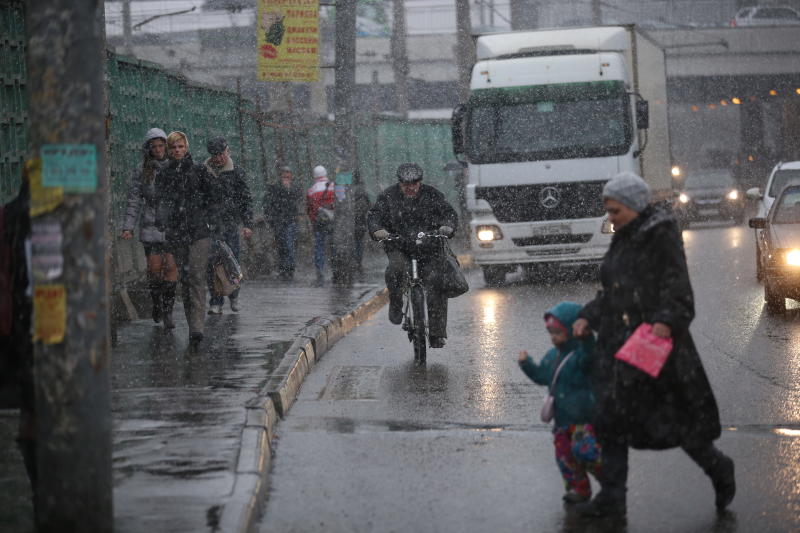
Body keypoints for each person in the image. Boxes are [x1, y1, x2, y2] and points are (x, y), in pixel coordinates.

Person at [572, 171, 735, 517]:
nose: (610, 218)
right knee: (611, 422)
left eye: (615, 211)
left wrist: (664, 322)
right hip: (618, 346)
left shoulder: (659, 235)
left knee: (679, 426)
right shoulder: (626, 236)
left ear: (633, 206)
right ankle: (613, 498)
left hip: (653, 349)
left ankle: (719, 468)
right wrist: (589, 315)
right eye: (608, 211)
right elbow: (616, 291)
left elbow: (678, 290)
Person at [518, 302, 602, 504]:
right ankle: (578, 488)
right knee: (565, 457)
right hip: (561, 420)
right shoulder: (551, 356)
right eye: (551, 333)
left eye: (558, 332)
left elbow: (591, 357)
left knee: (586, 452)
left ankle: (609, 480)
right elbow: (541, 376)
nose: (553, 337)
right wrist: (527, 364)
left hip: (583, 419)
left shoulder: (580, 354)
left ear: (572, 330)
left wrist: (587, 338)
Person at [367, 163, 458, 348]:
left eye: (414, 183)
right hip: (399, 246)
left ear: (420, 182)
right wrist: (378, 230)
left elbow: (449, 213)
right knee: (396, 269)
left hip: (429, 247)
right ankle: (395, 300)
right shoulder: (388, 197)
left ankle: (437, 333)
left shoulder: (433, 195)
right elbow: (374, 215)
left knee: (436, 283)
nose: (410, 187)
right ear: (399, 183)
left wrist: (447, 226)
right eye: (405, 184)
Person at [156, 131, 221, 342]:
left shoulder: (199, 170)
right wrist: (163, 221)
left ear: (187, 148)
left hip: (199, 231)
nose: (177, 151)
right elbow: (161, 200)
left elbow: (214, 195)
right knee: (185, 279)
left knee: (196, 276)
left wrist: (210, 219)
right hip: (177, 233)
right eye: (173, 147)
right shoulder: (165, 174)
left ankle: (197, 326)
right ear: (169, 150)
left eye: (181, 147)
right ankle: (192, 321)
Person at [120, 127, 178, 328]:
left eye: (162, 145)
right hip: (151, 224)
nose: (159, 149)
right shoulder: (143, 170)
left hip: (172, 225)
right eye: (154, 146)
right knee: (154, 270)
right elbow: (134, 199)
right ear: (149, 149)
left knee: (171, 267)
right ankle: (156, 303)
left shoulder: (176, 166)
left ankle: (169, 311)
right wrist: (128, 226)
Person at [203, 137, 254, 314]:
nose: (219, 158)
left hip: (230, 224)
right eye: (215, 155)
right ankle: (215, 301)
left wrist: (247, 224)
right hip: (210, 226)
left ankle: (234, 296)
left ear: (227, 151)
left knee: (232, 261)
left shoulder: (236, 173)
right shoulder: (204, 172)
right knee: (212, 263)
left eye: (222, 154)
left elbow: (246, 200)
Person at [263, 166, 303, 280]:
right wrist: (270, 219)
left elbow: (297, 198)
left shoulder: (294, 188)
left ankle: (289, 269)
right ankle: (283, 269)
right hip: (279, 221)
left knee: (290, 245)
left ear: (292, 177)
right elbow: (268, 204)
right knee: (282, 246)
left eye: (288, 176)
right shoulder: (275, 188)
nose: (286, 178)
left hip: (290, 221)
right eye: (284, 176)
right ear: (280, 177)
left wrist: (288, 189)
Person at [306, 165, 335, 285]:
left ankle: (320, 271)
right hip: (333, 222)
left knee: (319, 247)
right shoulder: (334, 186)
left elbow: (309, 209)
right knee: (334, 246)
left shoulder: (311, 190)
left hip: (319, 223)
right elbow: (340, 203)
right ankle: (336, 269)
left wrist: (314, 221)